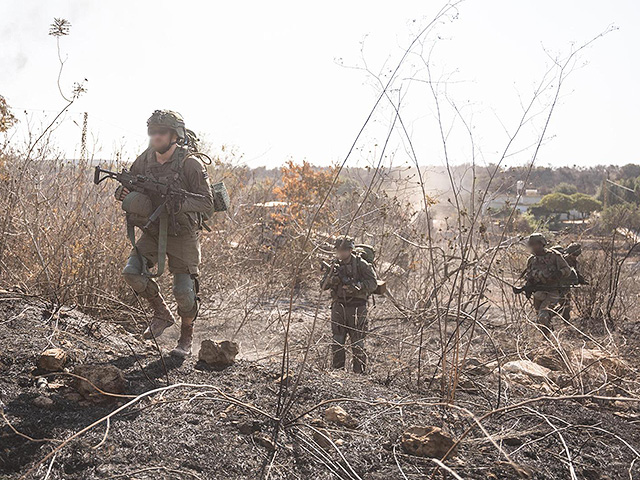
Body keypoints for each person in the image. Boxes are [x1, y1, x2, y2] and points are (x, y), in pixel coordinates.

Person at [115, 110, 213, 357]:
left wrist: (181, 202)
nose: (156, 136)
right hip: (154, 229)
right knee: (131, 273)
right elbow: (128, 184)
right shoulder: (146, 159)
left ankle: (186, 338)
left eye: (161, 132)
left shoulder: (191, 163)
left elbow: (207, 204)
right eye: (152, 131)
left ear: (175, 135)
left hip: (183, 233)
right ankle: (161, 312)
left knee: (183, 291)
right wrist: (123, 193)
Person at [321, 236, 378, 373]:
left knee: (357, 343)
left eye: (344, 250)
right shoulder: (335, 265)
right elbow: (323, 286)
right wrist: (332, 280)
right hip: (339, 307)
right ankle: (338, 373)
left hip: (358, 307)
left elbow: (373, 283)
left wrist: (357, 286)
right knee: (337, 342)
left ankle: (359, 374)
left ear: (350, 250)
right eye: (339, 250)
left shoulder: (361, 264)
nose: (341, 253)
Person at [523, 233, 572, 330]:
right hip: (538, 292)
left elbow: (568, 270)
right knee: (540, 319)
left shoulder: (554, 256)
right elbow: (529, 276)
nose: (533, 247)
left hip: (553, 291)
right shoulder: (532, 260)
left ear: (542, 244)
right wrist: (527, 288)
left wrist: (560, 273)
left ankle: (547, 338)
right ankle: (547, 336)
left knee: (543, 316)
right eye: (531, 245)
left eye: (535, 244)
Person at [559, 242, 585, 320]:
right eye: (574, 255)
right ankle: (550, 316)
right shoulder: (564, 260)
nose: (575, 257)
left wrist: (581, 280)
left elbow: (575, 272)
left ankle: (565, 320)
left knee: (566, 304)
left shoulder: (572, 261)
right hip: (559, 285)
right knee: (564, 304)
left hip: (566, 285)